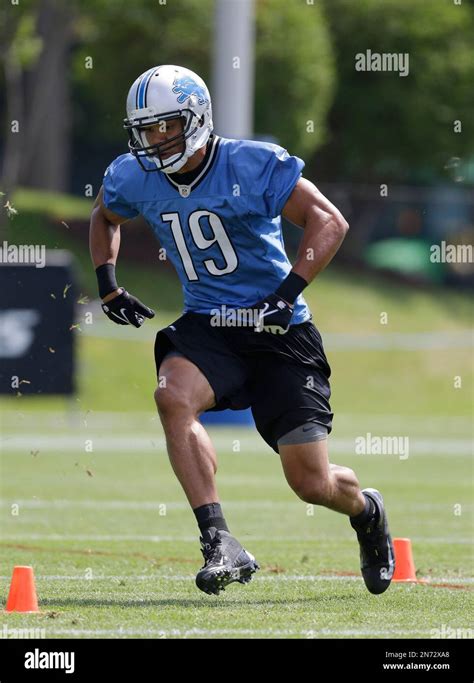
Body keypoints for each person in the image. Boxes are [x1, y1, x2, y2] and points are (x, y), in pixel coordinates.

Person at [89, 64, 395, 596]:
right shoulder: (133, 176)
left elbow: (329, 220)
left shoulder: (251, 163)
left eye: (167, 126)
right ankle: (219, 541)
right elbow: (105, 216)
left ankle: (367, 512)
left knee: (311, 483)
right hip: (210, 324)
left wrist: (285, 294)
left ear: (198, 119)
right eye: (147, 130)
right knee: (172, 397)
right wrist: (108, 283)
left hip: (279, 331)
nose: (156, 141)